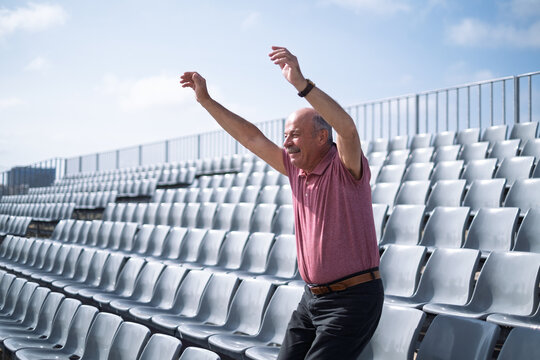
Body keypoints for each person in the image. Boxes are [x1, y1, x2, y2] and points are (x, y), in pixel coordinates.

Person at [180, 46, 383, 359]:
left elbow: (347, 127)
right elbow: (252, 138)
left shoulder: (345, 166)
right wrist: (206, 101)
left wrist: (301, 84)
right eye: (286, 136)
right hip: (311, 300)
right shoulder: (295, 169)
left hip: (353, 300)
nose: (286, 143)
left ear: (321, 137)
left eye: (295, 135)